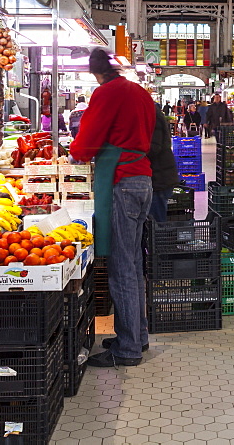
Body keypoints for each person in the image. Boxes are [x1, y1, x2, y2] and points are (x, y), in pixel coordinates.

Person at [69, 49, 156, 368]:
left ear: (96, 74)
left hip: (123, 181)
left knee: (121, 265)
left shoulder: (107, 93)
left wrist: (75, 153)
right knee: (132, 263)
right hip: (142, 179)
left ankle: (128, 348)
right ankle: (136, 335)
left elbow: (88, 140)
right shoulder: (139, 91)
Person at [147, 103, 180, 224]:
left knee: (156, 223)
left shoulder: (153, 117)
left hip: (159, 177)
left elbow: (153, 148)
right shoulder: (153, 115)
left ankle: (159, 241)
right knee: (156, 219)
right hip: (160, 176)